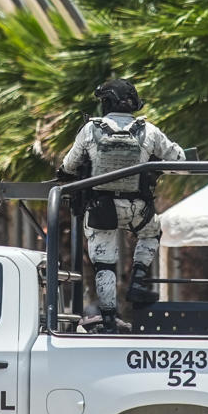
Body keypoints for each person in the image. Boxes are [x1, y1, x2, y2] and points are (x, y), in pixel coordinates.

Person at [60, 78, 184, 332]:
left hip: (101, 210)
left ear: (106, 103)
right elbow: (179, 159)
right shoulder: (148, 130)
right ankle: (138, 280)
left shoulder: (90, 129)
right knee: (151, 232)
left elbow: (69, 166)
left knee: (104, 264)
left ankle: (108, 322)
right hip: (138, 208)